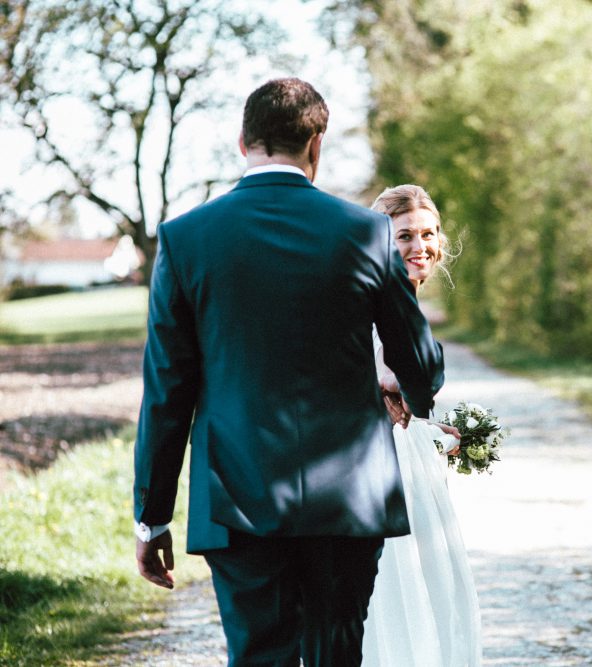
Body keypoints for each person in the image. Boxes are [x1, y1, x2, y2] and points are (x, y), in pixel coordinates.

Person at [132, 78, 445, 667]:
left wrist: (152, 517)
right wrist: (415, 397)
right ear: (316, 145)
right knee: (336, 653)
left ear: (241, 141)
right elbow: (419, 361)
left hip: (236, 495)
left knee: (258, 656)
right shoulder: (367, 233)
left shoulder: (185, 239)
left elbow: (166, 392)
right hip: (349, 499)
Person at [363, 185, 482, 667]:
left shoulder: (411, 306)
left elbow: (406, 403)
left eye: (429, 233)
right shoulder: (370, 307)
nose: (420, 245)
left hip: (417, 478)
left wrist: (437, 434)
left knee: (433, 601)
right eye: (405, 235)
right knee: (397, 601)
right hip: (384, 481)